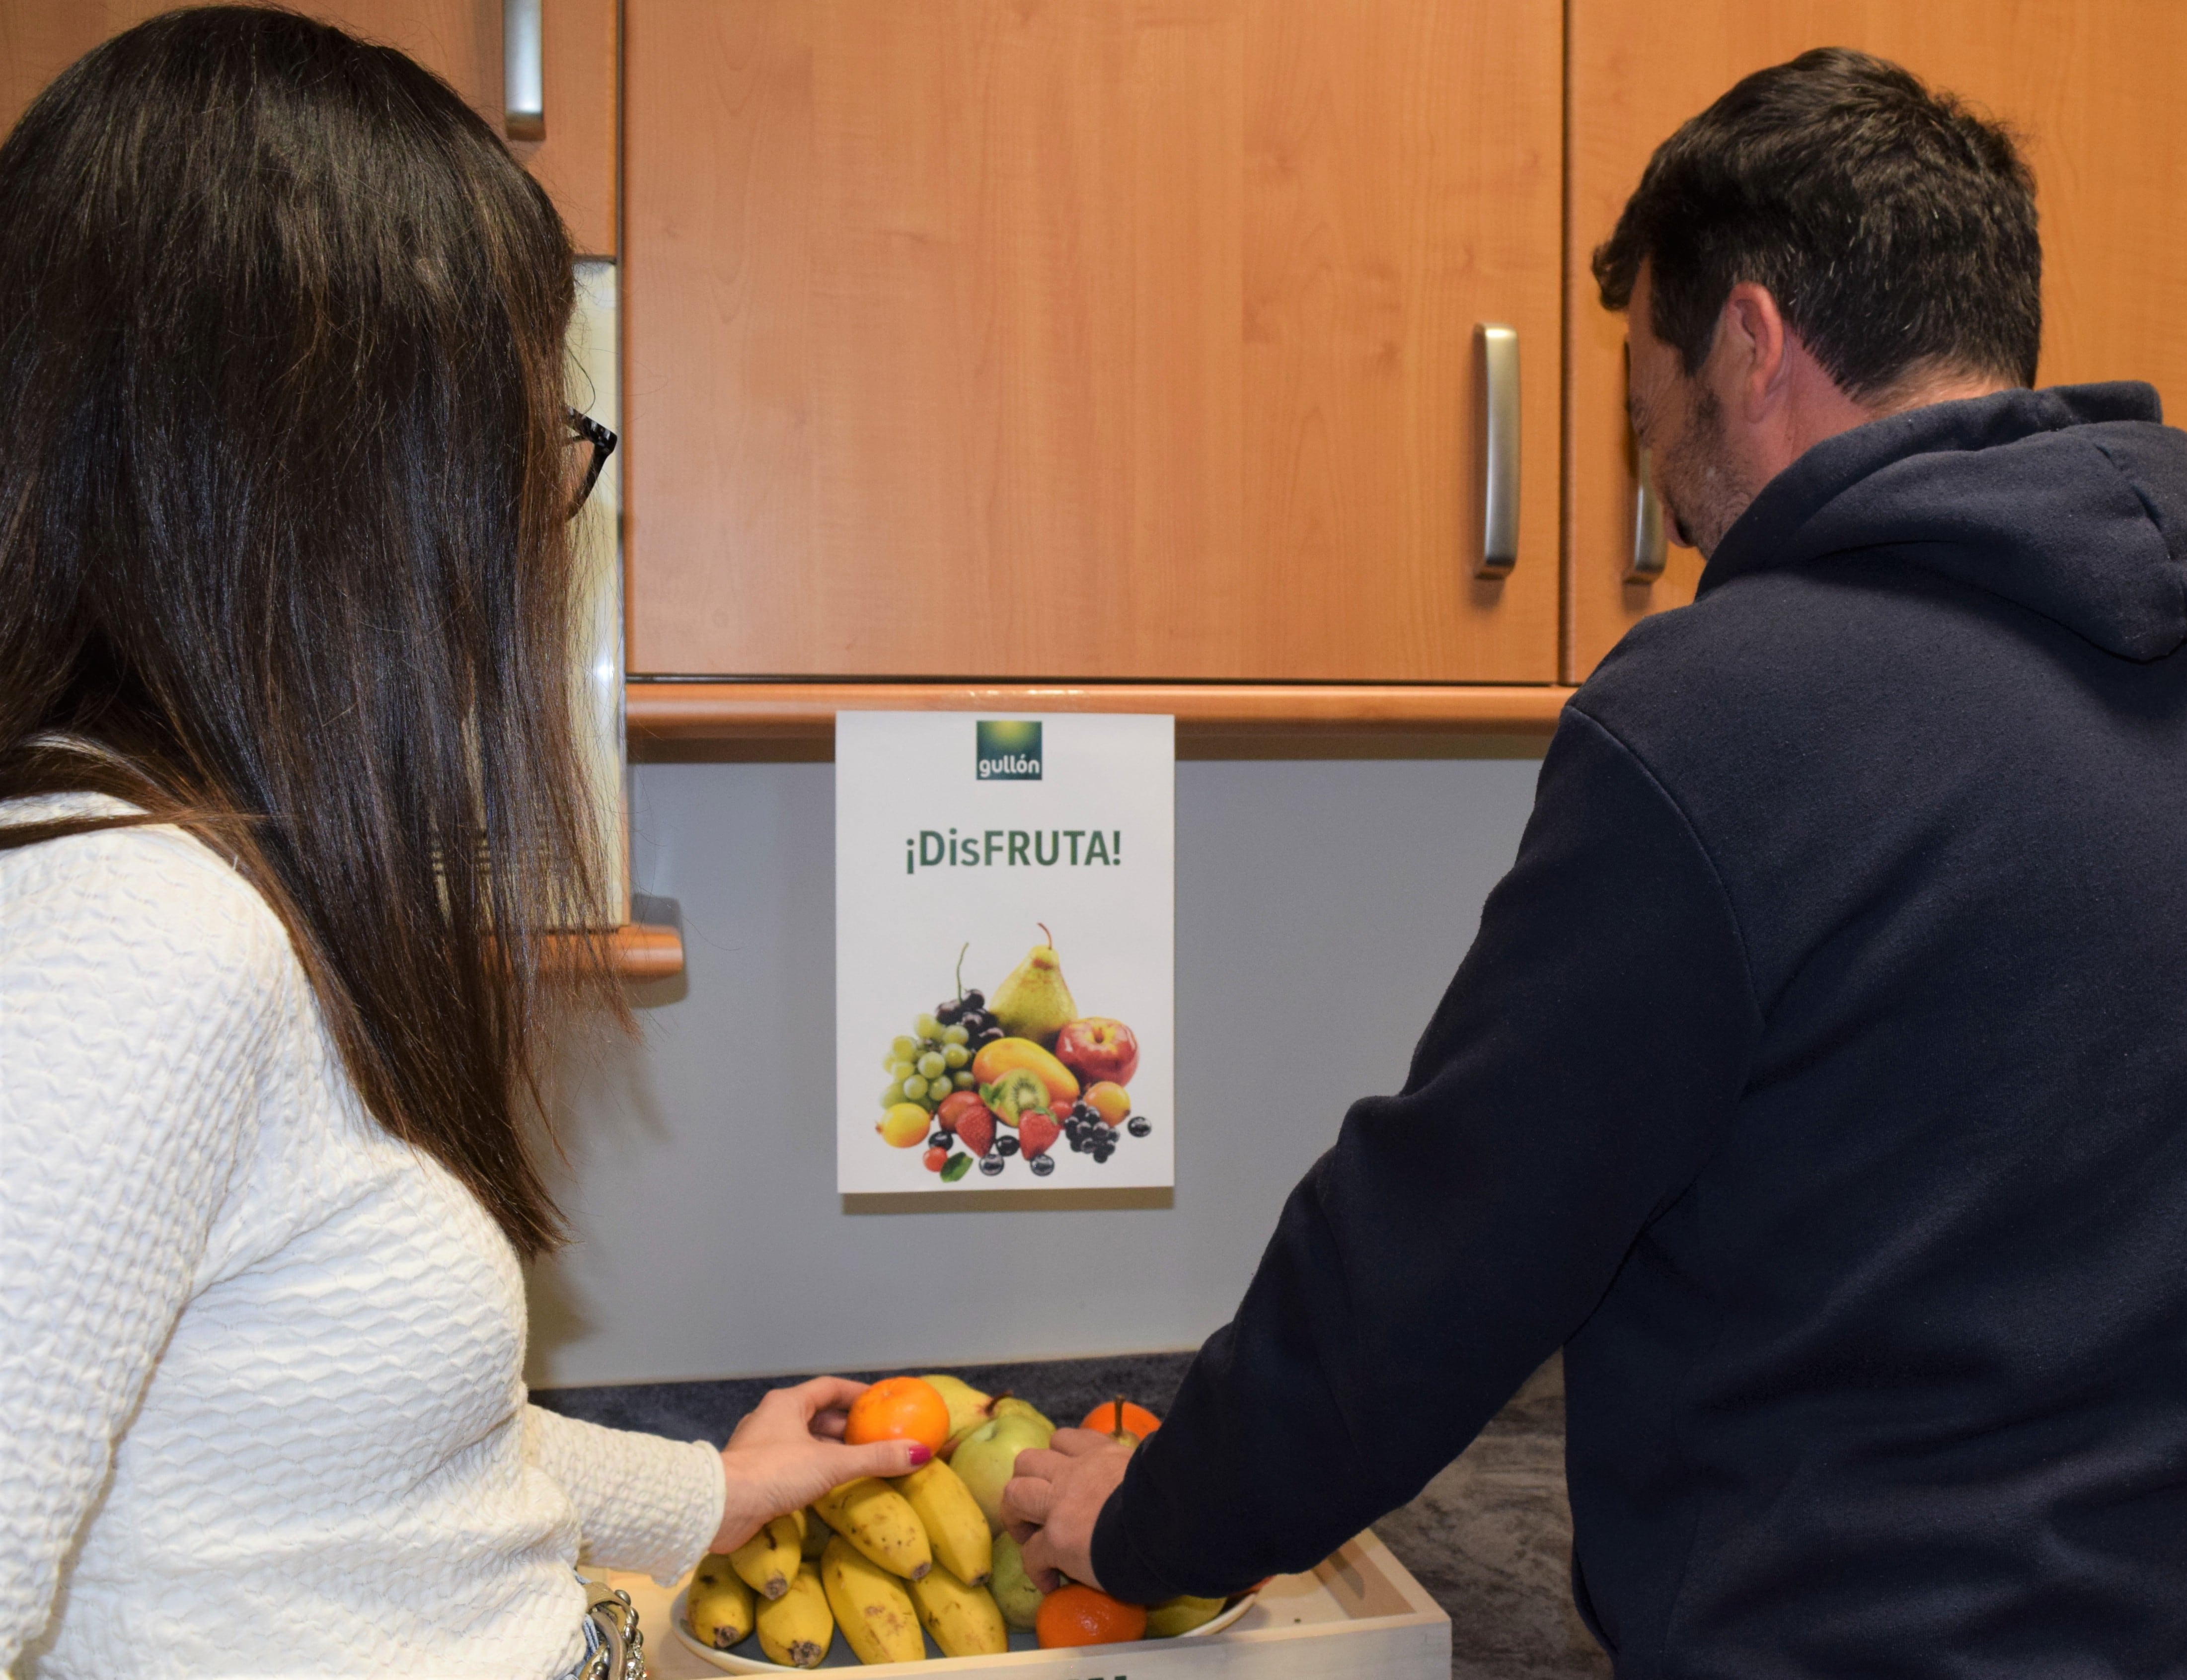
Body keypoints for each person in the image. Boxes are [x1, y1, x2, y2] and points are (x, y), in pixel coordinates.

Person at [1007, 47, 2187, 1676]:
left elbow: (1453, 1237)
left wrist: (1158, 1515)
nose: (1667, 496)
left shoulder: (1734, 710)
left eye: (1647, 412)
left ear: (1750, 343)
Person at [0, 12, 923, 1677]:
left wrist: (708, 1489)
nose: (531, 510)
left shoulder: (191, 882)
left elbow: (314, 1451)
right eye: (522, 434)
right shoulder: (134, 940)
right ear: (336, 471)